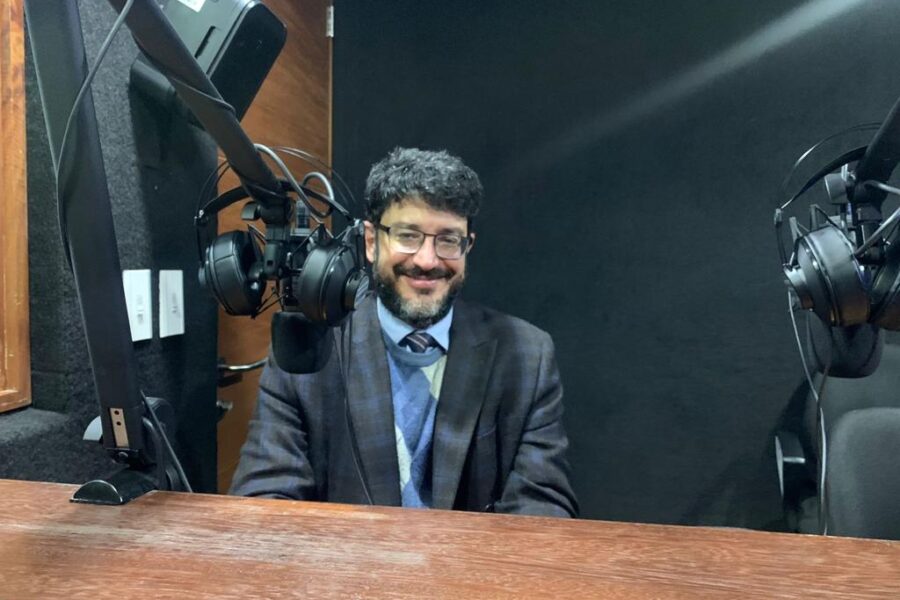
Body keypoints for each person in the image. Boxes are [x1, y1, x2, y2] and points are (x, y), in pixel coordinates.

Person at [230, 147, 578, 517]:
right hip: (346, 554)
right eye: (408, 235)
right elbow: (264, 499)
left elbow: (543, 506)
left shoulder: (527, 355)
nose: (427, 260)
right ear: (370, 241)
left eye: (448, 239)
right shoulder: (309, 348)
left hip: (472, 557)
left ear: (468, 246)